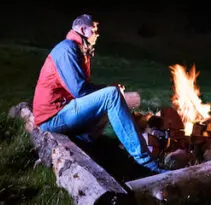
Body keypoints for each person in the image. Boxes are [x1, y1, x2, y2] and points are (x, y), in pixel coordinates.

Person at [32, 14, 162, 173]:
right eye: (94, 30)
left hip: (62, 110)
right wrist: (108, 89)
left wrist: (108, 88)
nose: (97, 34)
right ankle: (147, 164)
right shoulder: (67, 49)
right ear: (82, 29)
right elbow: (80, 90)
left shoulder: (78, 49)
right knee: (111, 96)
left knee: (111, 97)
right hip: (52, 117)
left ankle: (86, 146)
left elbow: (81, 89)